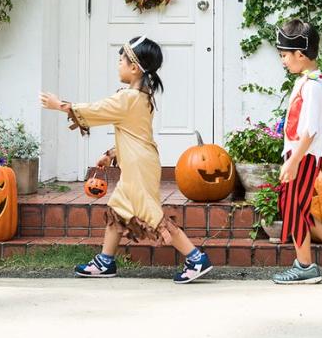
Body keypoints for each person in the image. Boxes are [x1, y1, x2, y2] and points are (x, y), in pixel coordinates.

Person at [40, 36, 214, 283]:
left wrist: (61, 106)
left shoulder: (127, 98)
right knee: (118, 209)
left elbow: (96, 109)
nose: (118, 64)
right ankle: (105, 261)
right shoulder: (142, 96)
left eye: (121, 59)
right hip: (140, 161)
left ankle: (196, 258)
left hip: (138, 167)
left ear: (133, 67)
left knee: (151, 213)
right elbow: (134, 133)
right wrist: (112, 153)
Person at [270, 19, 322, 285]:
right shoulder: (306, 81)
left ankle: (305, 265)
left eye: (285, 55)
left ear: (300, 55)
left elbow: (311, 130)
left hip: (302, 158)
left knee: (293, 209)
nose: (283, 61)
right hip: (303, 156)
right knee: (296, 206)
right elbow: (311, 125)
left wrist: (295, 161)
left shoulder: (313, 86)